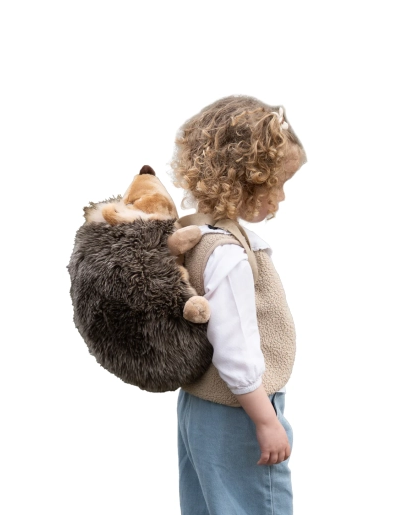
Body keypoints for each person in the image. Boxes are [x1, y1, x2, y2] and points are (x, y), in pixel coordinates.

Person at [169, 95, 307, 515]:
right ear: (247, 179)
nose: (281, 196)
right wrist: (265, 420)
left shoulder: (195, 235)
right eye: (278, 183)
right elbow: (235, 348)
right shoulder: (228, 254)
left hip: (200, 405)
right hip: (240, 410)